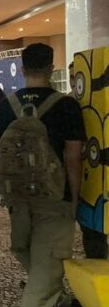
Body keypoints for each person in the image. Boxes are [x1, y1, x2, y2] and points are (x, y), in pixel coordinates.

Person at [0, 44, 85, 307]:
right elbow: (73, 156)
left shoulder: (6, 106)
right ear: (51, 68)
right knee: (50, 257)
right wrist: (74, 197)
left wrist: (6, 191)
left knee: (25, 249)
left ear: (22, 68)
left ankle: (54, 300)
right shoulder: (66, 106)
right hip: (54, 195)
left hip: (18, 196)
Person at [67, 62, 108, 259]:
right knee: (91, 228)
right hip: (84, 175)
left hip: (99, 171)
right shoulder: (67, 104)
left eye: (77, 76)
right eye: (72, 77)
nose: (73, 82)